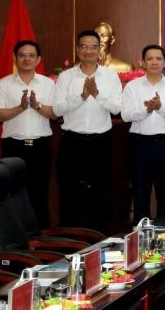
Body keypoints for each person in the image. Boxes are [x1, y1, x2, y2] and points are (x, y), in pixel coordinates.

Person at [53, 30, 122, 230]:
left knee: (100, 192)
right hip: (71, 142)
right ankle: (67, 239)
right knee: (68, 193)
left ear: (100, 49)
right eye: (84, 46)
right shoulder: (66, 77)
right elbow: (57, 109)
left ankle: (98, 238)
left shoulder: (110, 77)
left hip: (101, 142)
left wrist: (97, 94)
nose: (88, 51)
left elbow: (117, 108)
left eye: (93, 47)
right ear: (77, 49)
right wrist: (82, 96)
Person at [0, 40, 56, 228]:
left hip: (40, 146)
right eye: (22, 55)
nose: (27, 59)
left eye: (31, 55)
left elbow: (55, 113)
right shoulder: (3, 84)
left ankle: (42, 239)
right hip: (13, 146)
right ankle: (16, 242)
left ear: (38, 59)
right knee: (12, 194)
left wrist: (36, 106)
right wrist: (20, 107)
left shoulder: (48, 84)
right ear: (15, 58)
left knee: (39, 193)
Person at [121, 44, 165, 226]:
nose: (154, 62)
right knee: (140, 190)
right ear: (142, 63)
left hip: (164, 143)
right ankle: (141, 234)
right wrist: (147, 109)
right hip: (139, 144)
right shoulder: (132, 87)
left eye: (158, 58)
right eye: (150, 58)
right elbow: (126, 115)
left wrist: (160, 107)